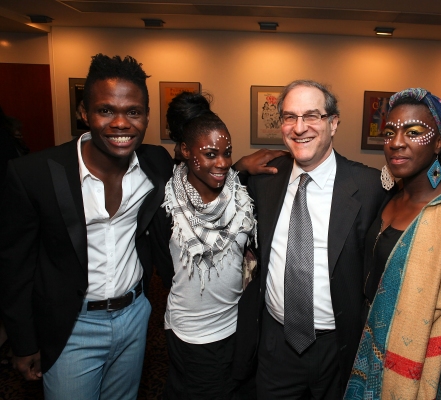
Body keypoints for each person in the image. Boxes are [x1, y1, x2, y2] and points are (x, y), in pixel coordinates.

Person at [0, 54, 175, 399]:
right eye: (106, 110)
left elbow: (198, 178)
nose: (121, 123)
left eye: (134, 112)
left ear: (146, 117)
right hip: (71, 325)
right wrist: (23, 342)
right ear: (84, 113)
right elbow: (13, 266)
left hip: (136, 315)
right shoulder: (33, 174)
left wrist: (243, 167)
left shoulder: (156, 164)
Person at [345, 88, 441, 400]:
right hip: (367, 348)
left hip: (415, 366)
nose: (397, 142)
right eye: (389, 132)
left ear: (440, 141)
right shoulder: (388, 200)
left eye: (414, 132)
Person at [241, 80, 387, 398]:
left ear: (333, 123)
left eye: (312, 116)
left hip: (339, 347)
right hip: (275, 344)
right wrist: (238, 166)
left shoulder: (370, 187)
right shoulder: (264, 180)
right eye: (290, 117)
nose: (299, 127)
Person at [160, 91, 256, 399]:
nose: (223, 163)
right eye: (211, 154)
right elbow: (161, 263)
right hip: (192, 333)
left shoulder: (241, 194)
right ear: (185, 151)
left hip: (234, 326)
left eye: (227, 153)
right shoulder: (166, 203)